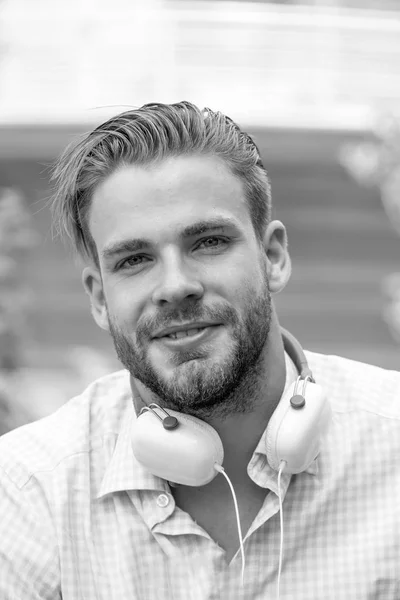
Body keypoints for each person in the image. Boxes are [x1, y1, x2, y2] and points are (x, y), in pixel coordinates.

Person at [0, 102, 399, 600]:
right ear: (100, 299)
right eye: (135, 259)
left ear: (272, 257)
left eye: (208, 242)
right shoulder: (26, 491)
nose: (176, 286)